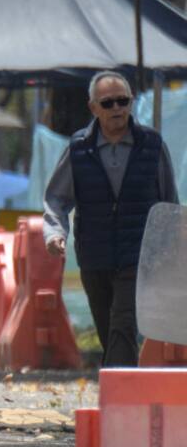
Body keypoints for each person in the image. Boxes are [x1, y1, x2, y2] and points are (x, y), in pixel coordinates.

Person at [43, 70, 178, 367]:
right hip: (94, 257)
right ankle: (121, 387)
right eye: (108, 103)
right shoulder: (78, 149)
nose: (117, 109)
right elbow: (57, 199)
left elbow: (169, 203)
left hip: (139, 257)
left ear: (131, 103)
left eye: (123, 101)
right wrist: (55, 233)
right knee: (109, 330)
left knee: (122, 325)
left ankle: (122, 399)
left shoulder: (152, 145)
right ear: (93, 108)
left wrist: (170, 255)